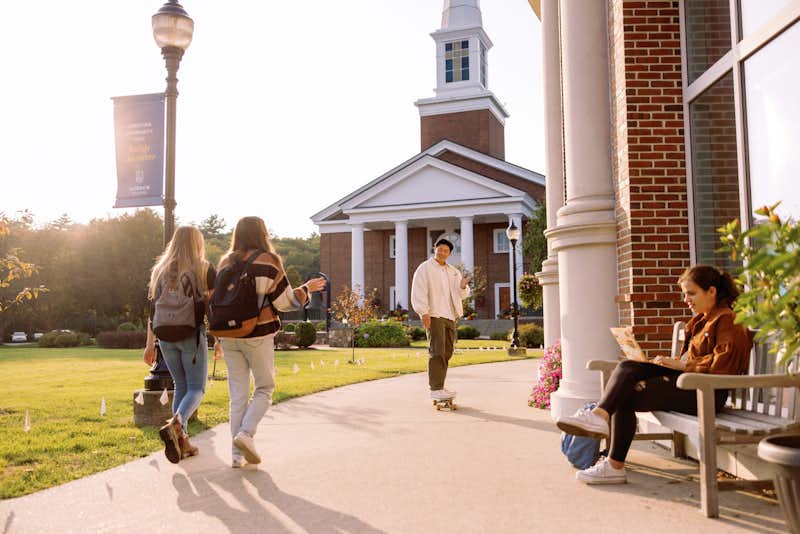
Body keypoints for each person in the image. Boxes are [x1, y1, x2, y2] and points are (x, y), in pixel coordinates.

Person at [556, 264, 754, 484]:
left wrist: (680, 366)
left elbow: (723, 366)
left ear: (712, 291)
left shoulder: (728, 319)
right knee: (627, 367)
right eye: (684, 294)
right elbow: (693, 361)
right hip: (689, 385)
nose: (686, 299)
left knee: (626, 395)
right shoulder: (701, 320)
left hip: (707, 394)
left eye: (691, 293)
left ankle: (613, 462)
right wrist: (668, 364)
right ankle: (600, 421)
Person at [217, 216, 326, 468]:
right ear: (262, 234)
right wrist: (306, 289)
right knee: (265, 388)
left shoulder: (225, 262)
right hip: (256, 332)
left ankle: (236, 455)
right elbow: (284, 302)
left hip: (227, 334)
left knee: (238, 396)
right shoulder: (268, 261)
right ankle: (245, 434)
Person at [144, 226, 222, 464]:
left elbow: (151, 310)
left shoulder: (159, 270)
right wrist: (218, 338)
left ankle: (182, 442)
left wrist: (149, 345)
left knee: (180, 384)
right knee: (197, 388)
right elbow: (214, 306)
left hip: (164, 337)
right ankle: (176, 425)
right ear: (197, 243)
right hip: (191, 334)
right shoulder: (204, 268)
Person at [411, 238, 471, 401]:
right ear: (434, 248)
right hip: (434, 315)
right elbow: (419, 290)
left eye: (446, 250)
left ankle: (440, 386)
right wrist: (423, 312)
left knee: (447, 351)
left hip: (450, 316)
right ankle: (435, 388)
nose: (442, 252)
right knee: (437, 351)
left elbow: (462, 295)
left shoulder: (453, 271)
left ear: (450, 254)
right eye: (440, 249)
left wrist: (463, 286)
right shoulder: (425, 268)